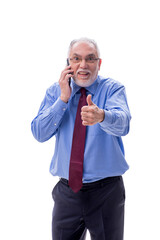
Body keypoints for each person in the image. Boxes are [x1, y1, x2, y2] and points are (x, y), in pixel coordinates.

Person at [31, 37, 131, 240]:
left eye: (90, 59)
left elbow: (124, 124)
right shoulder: (56, 91)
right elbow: (39, 133)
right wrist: (63, 100)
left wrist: (102, 116)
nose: (83, 65)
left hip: (106, 193)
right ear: (68, 64)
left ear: (99, 63)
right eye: (76, 58)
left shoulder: (113, 89)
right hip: (67, 193)